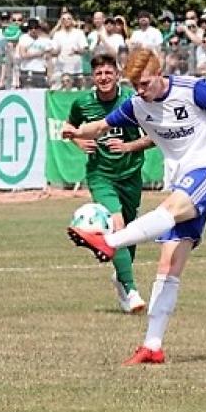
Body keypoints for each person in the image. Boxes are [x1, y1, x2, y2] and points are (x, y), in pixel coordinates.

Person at [63, 48, 206, 365]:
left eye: (145, 83)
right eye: (135, 85)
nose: (140, 91)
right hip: (184, 180)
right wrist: (73, 131)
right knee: (168, 263)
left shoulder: (193, 89)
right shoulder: (137, 105)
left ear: (160, 73)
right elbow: (99, 126)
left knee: (169, 209)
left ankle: (110, 241)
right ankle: (152, 345)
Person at [64, 53, 152, 315]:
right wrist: (80, 142)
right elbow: (68, 127)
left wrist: (128, 147)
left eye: (108, 73)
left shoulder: (132, 101)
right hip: (101, 175)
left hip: (131, 174)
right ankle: (132, 289)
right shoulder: (83, 103)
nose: (104, 78)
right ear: (93, 77)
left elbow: (153, 136)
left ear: (117, 75)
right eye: (99, 74)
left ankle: (121, 279)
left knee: (130, 230)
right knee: (117, 223)